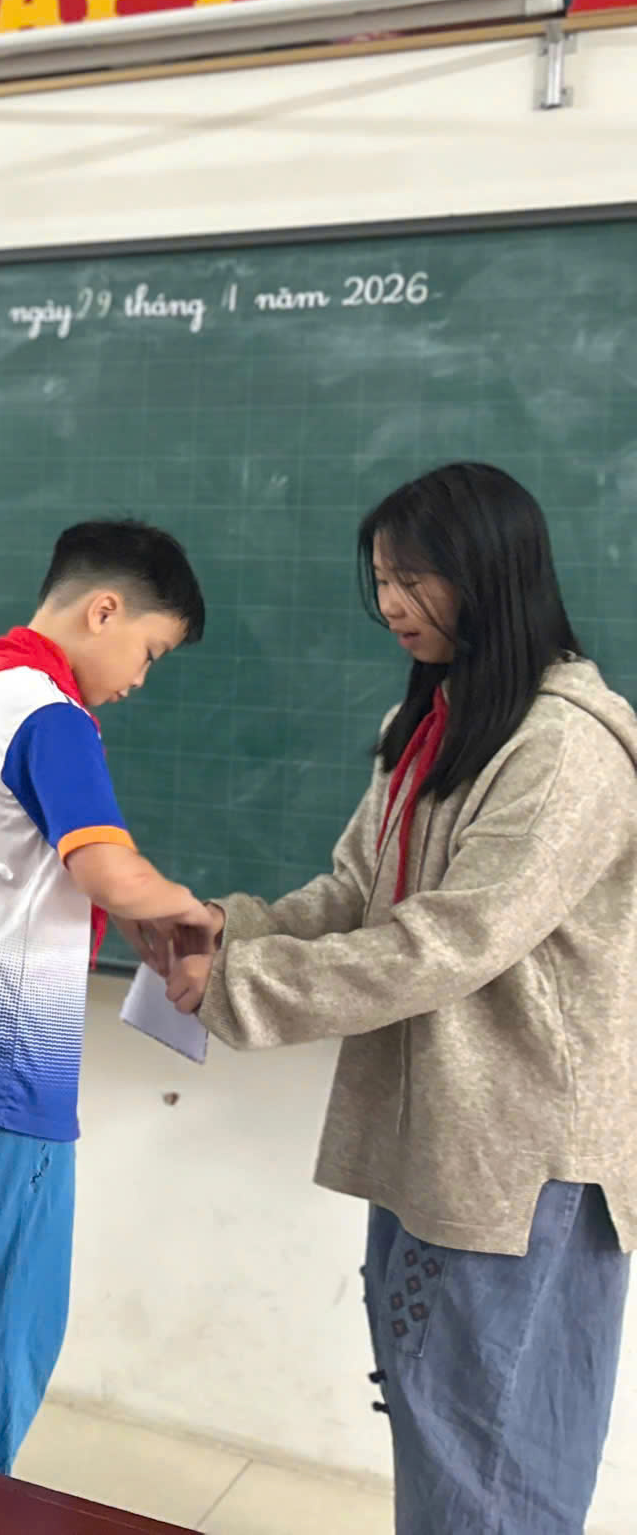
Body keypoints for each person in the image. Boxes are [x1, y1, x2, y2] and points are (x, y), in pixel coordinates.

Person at [164, 463, 637, 1535]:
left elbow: (451, 942)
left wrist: (243, 985)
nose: (390, 603)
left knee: (492, 1460)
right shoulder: (432, 720)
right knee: (442, 1427)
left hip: (521, 1159)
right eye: (380, 578)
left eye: (414, 577)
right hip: (442, 1137)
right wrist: (234, 929)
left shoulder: (565, 748)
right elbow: (357, 890)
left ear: (491, 572)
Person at [0, 518, 215, 1474]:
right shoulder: (51, 713)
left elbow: (46, 865)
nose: (140, 679)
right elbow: (104, 865)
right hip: (1, 1058)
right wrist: (193, 913)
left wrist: (132, 902)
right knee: (5, 1330)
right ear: (104, 611)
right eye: (149, 651)